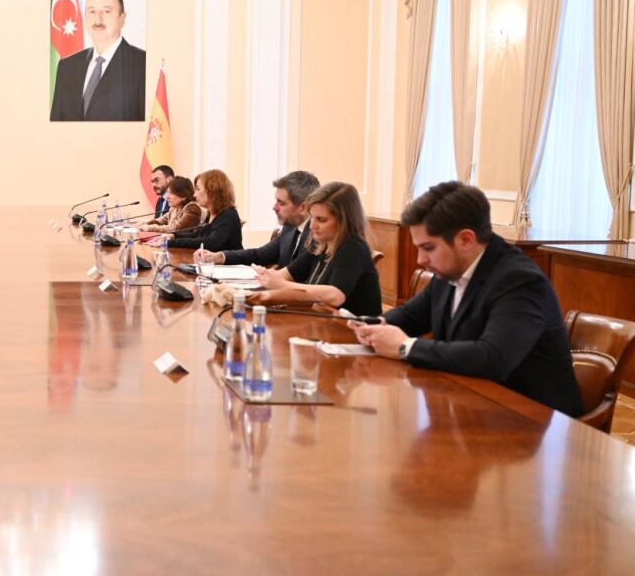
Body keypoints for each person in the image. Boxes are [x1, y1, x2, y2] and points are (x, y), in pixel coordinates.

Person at [352, 182, 582, 417]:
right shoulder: (451, 268)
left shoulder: (519, 281)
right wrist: (375, 324)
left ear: (465, 240)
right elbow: (411, 315)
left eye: (428, 248)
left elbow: (492, 358)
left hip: (532, 421)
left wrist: (405, 347)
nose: (420, 259)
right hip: (470, 405)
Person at [251, 181, 382, 317]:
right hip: (325, 322)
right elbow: (288, 274)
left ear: (344, 221)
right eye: (311, 217)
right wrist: (267, 277)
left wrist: (281, 284)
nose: (312, 226)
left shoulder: (353, 248)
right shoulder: (321, 244)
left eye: (321, 220)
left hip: (355, 328)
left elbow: (335, 295)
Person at [50, 0, 146, 121]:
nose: (98, 19)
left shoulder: (143, 64)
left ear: (122, 18)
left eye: (107, 11)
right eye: (92, 11)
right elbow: (56, 123)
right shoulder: (67, 66)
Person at [196, 170, 320, 269]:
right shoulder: (290, 227)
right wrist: (219, 257)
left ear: (303, 207)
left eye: (281, 203)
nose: (274, 207)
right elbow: (261, 254)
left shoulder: (318, 235)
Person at [168, 170, 243, 251]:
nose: (194, 195)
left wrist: (171, 242)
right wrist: (174, 236)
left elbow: (210, 243)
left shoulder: (228, 214)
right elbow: (197, 234)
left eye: (198, 189)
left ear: (212, 190)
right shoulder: (211, 213)